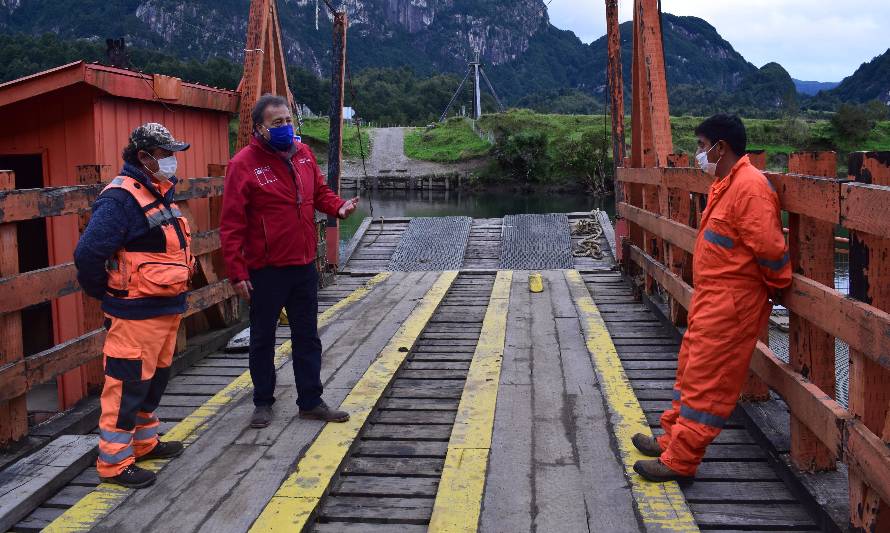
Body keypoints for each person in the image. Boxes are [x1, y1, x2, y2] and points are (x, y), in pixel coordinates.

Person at [631, 114, 792, 483]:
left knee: (708, 381)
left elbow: (769, 248)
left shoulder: (750, 187)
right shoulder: (726, 183)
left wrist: (776, 285)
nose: (699, 154)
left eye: (703, 147)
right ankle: (671, 439)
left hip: (732, 304)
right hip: (712, 299)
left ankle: (681, 460)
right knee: (690, 370)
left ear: (722, 147)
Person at [220, 94, 360, 429]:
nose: (285, 127)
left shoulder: (304, 154)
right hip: (265, 269)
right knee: (263, 338)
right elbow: (231, 224)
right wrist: (237, 273)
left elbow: (319, 194)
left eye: (288, 120)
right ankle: (263, 402)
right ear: (259, 128)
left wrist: (337, 206)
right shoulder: (243, 164)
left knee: (307, 335)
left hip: (303, 264)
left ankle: (310, 401)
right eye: (276, 122)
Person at [74, 123, 194, 488]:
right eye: (165, 154)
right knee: (125, 387)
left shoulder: (158, 192)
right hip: (135, 314)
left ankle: (143, 444)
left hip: (164, 310)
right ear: (144, 157)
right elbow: (88, 254)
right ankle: (114, 464)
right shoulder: (120, 198)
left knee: (152, 383)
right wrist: (110, 294)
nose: (172, 161)